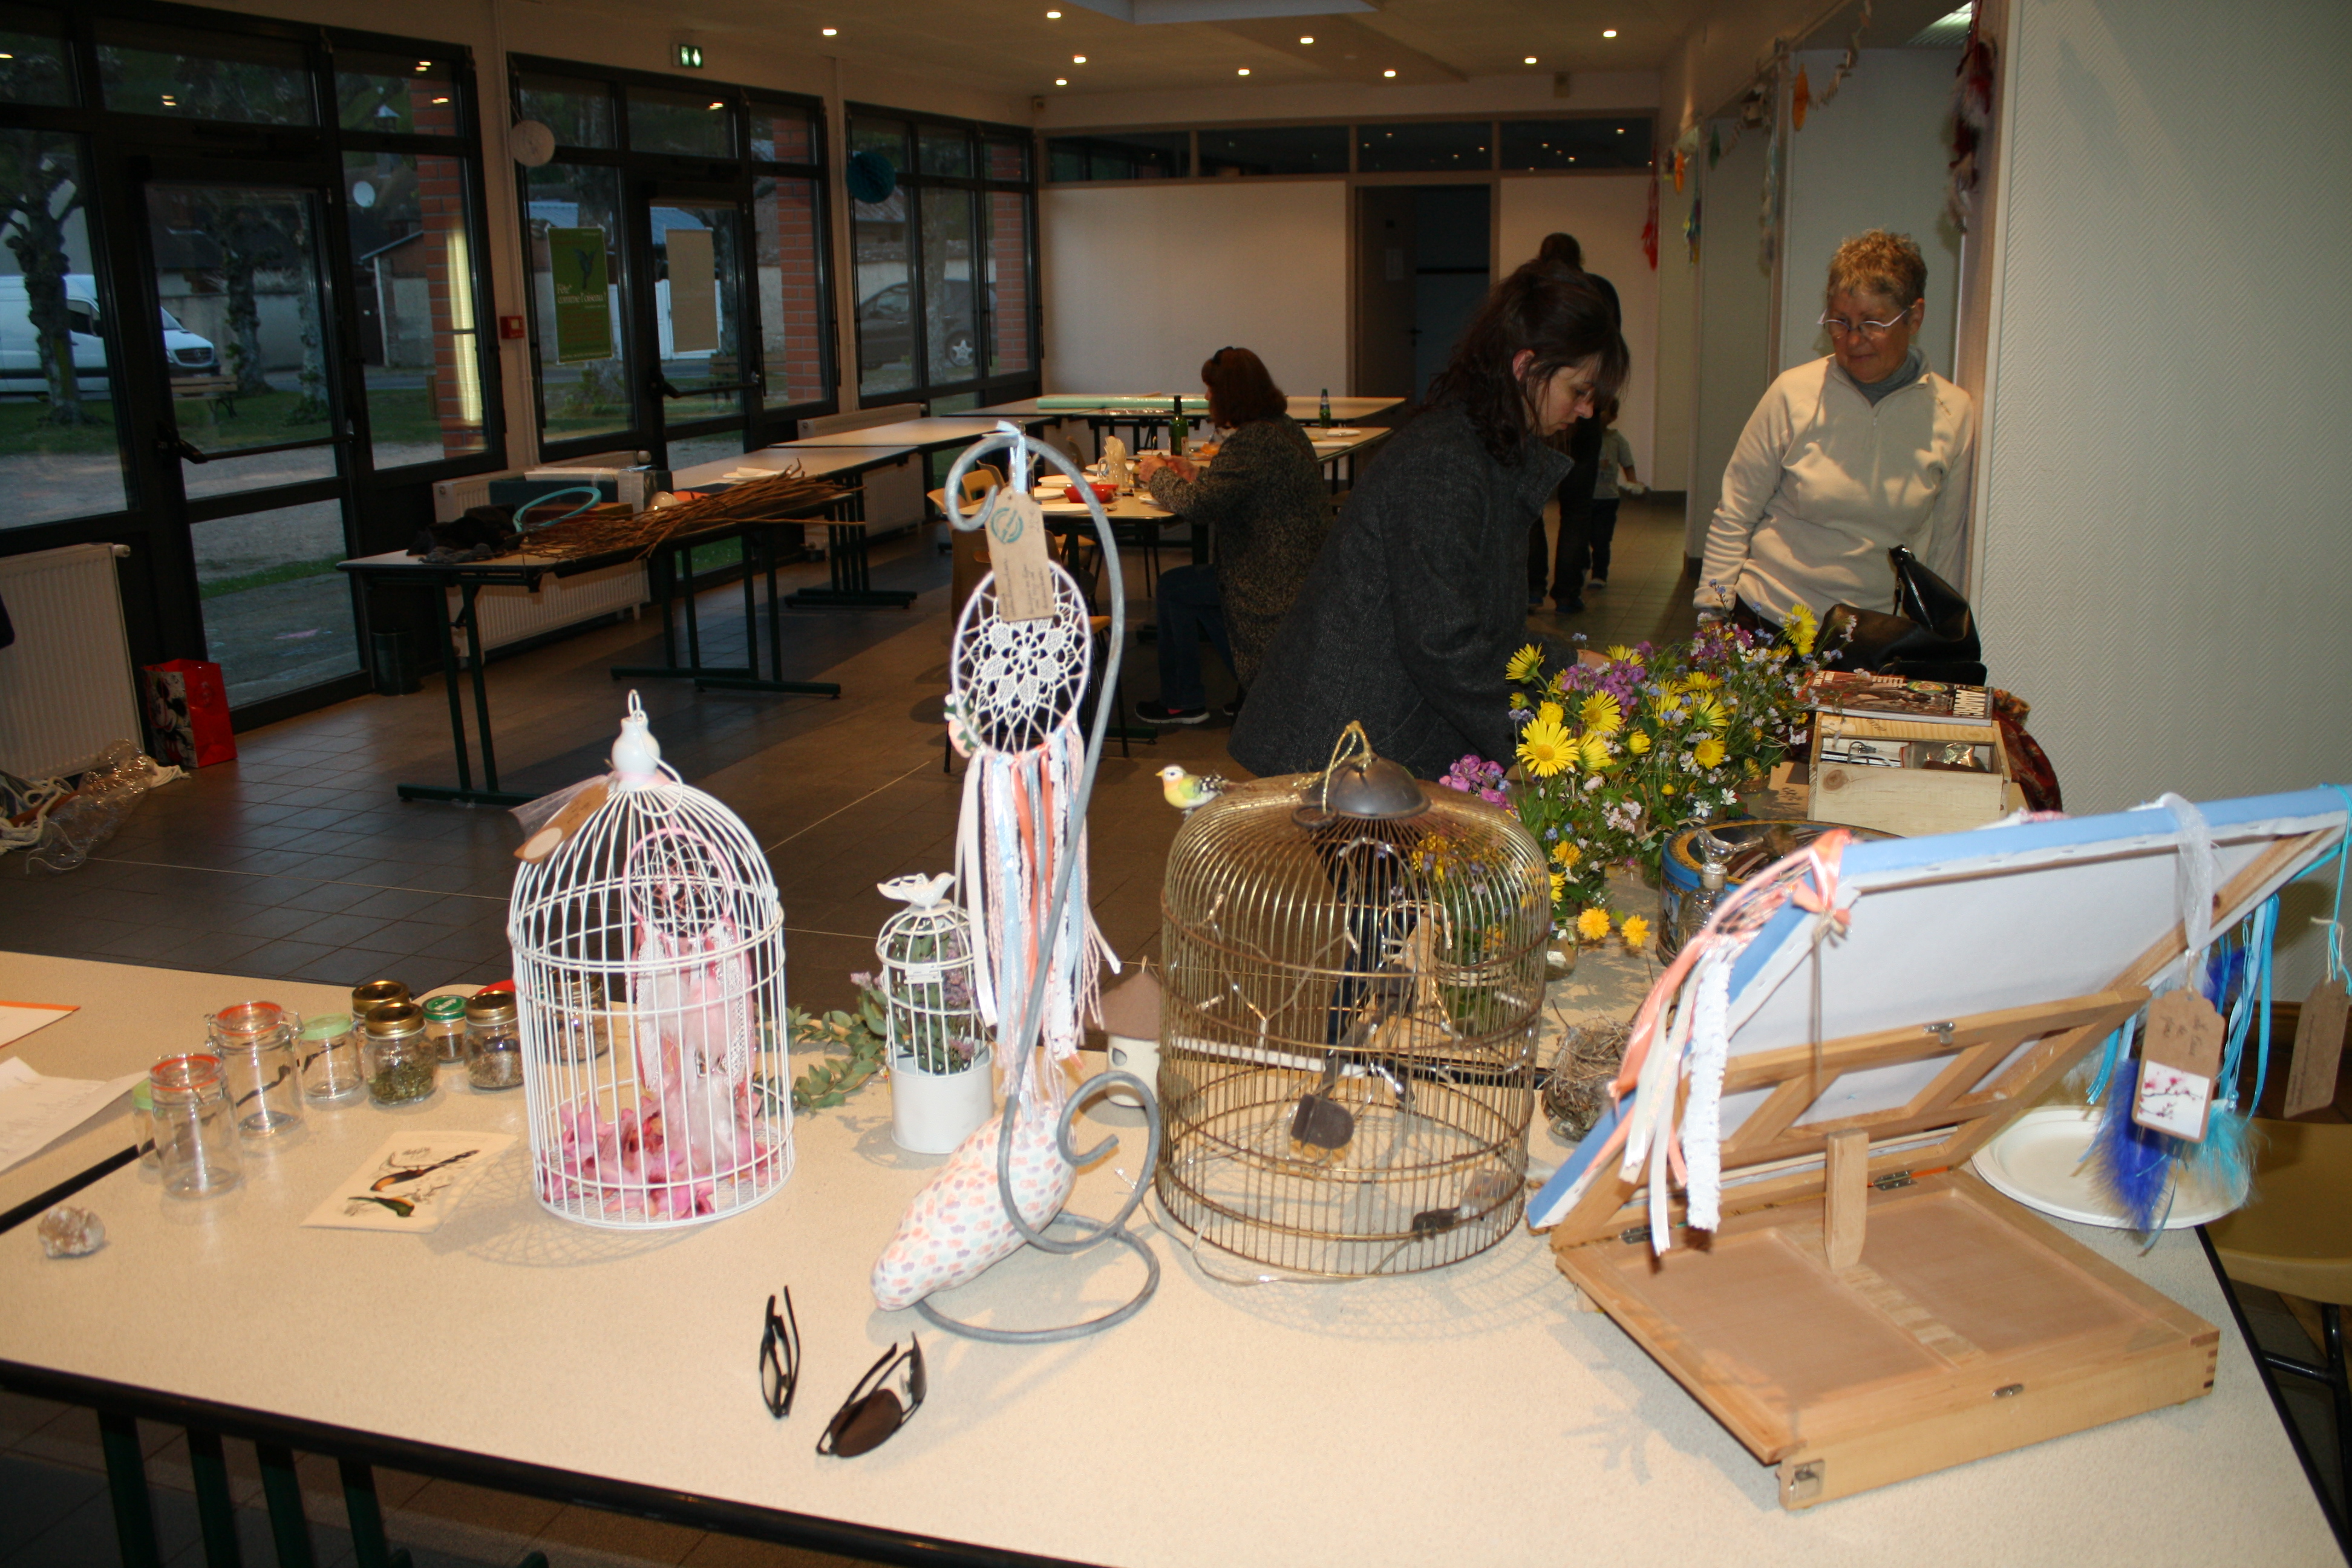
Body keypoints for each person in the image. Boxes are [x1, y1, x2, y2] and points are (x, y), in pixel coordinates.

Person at [1231, 265, 1627, 780]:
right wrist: (1546, 743)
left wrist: (1571, 663)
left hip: (1379, 732)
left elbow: (1479, 625)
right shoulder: (1445, 461)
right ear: (1526, 367)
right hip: (1344, 744)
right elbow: (1446, 644)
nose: (1587, 410)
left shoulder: (1483, 449)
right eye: (1579, 390)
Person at [1698, 229, 1976, 635]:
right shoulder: (1793, 394)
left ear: (1914, 317)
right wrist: (1713, 613)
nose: (1853, 340)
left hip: (1871, 635)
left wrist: (1936, 640)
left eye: (1872, 323)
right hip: (1768, 618)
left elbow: (1944, 551)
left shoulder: (1953, 413)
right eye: (1840, 323)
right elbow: (1735, 513)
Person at [1131, 347, 1328, 725]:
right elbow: (1239, 488)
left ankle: (1184, 701)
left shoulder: (1251, 442)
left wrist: (1158, 475)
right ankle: (1256, 691)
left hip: (1268, 580)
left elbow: (1198, 507)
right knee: (1195, 590)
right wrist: (1194, 474)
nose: (1207, 397)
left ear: (1230, 395)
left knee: (1175, 589)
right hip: (1299, 570)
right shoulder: (1282, 428)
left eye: (1212, 390)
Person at [1523, 232, 1620, 613]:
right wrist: (1598, 401)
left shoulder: (1532, 293)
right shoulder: (1600, 292)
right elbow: (1610, 356)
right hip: (1584, 415)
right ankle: (1567, 593)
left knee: (1531, 506)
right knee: (1577, 508)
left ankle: (1532, 588)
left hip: (1537, 414)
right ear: (1580, 258)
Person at [1583, 397, 1637, 590]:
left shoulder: (1616, 440)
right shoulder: (1582, 438)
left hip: (1608, 499)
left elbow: (1628, 464)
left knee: (1601, 539)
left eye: (1603, 410)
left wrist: (1633, 482)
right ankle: (1582, 565)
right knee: (1581, 536)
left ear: (1613, 417)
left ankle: (1599, 574)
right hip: (1585, 498)